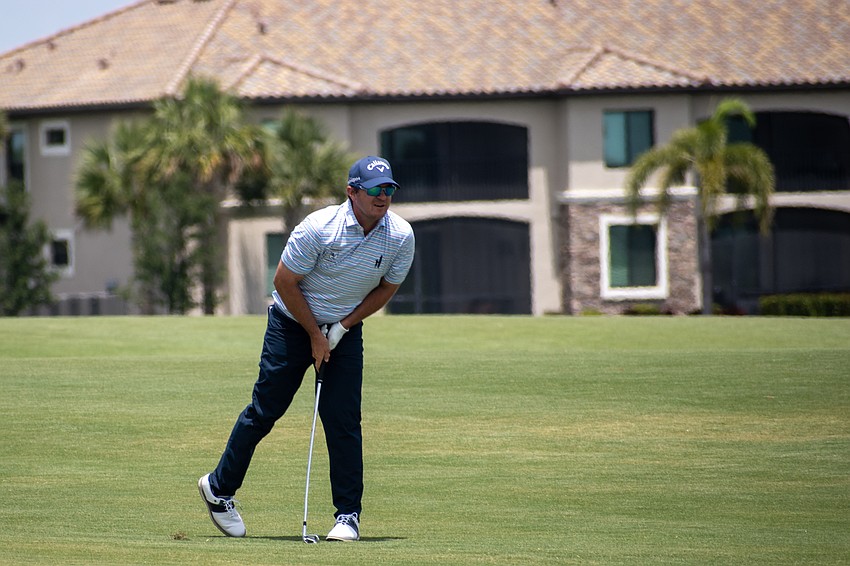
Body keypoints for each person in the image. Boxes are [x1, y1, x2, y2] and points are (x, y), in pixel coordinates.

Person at [198, 156, 415, 541]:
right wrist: (315, 334)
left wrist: (343, 327)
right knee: (265, 410)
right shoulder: (319, 227)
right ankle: (218, 489)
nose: (383, 196)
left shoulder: (400, 235)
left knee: (343, 420)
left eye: (389, 189)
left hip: (344, 328)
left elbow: (388, 288)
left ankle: (348, 516)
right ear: (352, 192)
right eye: (375, 189)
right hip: (291, 324)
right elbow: (283, 281)